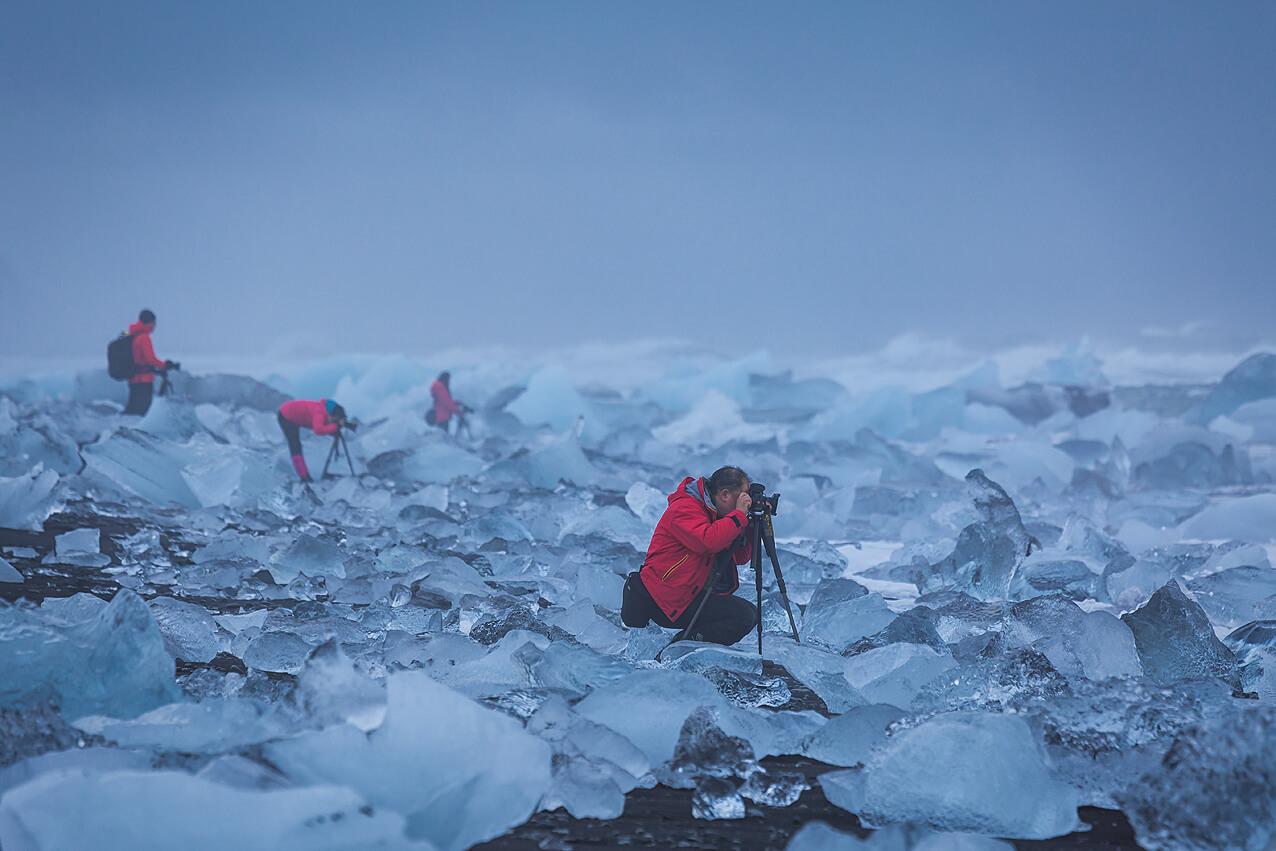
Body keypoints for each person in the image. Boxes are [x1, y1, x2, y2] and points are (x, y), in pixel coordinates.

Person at [622, 466, 759, 646]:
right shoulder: (685, 507)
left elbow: (740, 557)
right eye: (741, 498)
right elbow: (707, 542)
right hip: (665, 599)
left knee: (751, 613)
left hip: (687, 593)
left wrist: (749, 525)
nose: (744, 504)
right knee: (743, 616)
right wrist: (738, 516)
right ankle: (679, 647)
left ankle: (688, 644)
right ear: (724, 495)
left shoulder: (717, 515)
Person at [278, 398, 348, 482]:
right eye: (336, 419)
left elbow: (325, 427)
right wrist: (335, 427)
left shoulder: (324, 412)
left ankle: (304, 476)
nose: (335, 421)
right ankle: (304, 477)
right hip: (286, 416)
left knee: (296, 445)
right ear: (333, 415)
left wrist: (334, 430)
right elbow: (318, 429)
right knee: (295, 446)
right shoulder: (319, 413)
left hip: (289, 413)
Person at [122, 309, 177, 416]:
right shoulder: (144, 338)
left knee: (133, 408)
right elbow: (150, 359)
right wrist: (165, 365)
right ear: (149, 322)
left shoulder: (131, 335)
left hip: (133, 379)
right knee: (142, 410)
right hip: (143, 380)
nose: (155, 325)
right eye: (154, 322)